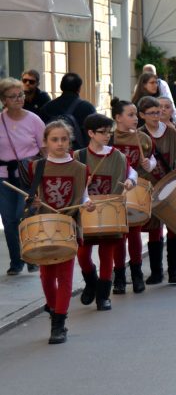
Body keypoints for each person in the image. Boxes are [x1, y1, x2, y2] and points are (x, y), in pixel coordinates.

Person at [31, 120, 95, 344]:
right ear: (45, 142)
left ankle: (59, 324)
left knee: (64, 276)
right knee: (46, 276)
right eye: (54, 139)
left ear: (70, 141)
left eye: (64, 139)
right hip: (44, 227)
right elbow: (32, 197)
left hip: (68, 225)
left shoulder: (80, 168)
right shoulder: (36, 167)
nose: (59, 143)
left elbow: (83, 195)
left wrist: (87, 204)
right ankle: (53, 307)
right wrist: (33, 201)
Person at [75, 113, 138, 311]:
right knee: (82, 255)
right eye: (102, 132)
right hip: (86, 213)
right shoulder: (78, 156)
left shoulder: (117, 156)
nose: (107, 136)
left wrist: (131, 180)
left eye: (109, 132)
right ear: (90, 133)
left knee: (106, 253)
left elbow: (131, 171)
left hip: (111, 211)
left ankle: (103, 295)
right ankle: (91, 283)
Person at [138, 96, 176, 282]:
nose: (156, 116)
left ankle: (174, 271)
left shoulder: (172, 133)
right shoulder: (139, 136)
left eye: (158, 112)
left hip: (171, 184)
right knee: (154, 229)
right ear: (142, 115)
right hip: (150, 187)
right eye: (151, 113)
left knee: (174, 226)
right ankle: (156, 272)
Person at [0, 78, 45, 275]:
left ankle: (31, 255)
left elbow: (44, 149)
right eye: (13, 96)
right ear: (4, 100)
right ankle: (16, 261)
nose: (19, 99)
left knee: (24, 216)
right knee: (8, 220)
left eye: (21, 95)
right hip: (3, 178)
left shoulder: (34, 120)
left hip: (29, 176)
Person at [110, 99, 154, 294]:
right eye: (131, 115)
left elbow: (151, 161)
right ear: (118, 117)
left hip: (137, 190)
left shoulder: (143, 138)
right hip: (115, 191)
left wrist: (149, 165)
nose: (136, 118)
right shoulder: (110, 139)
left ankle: (137, 274)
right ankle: (119, 276)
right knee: (119, 235)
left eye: (136, 114)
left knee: (134, 233)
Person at [39, 72, 96, 150]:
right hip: (79, 152)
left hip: (54, 151)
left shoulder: (47, 107)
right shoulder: (88, 108)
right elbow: (95, 132)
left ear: (61, 87)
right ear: (79, 88)